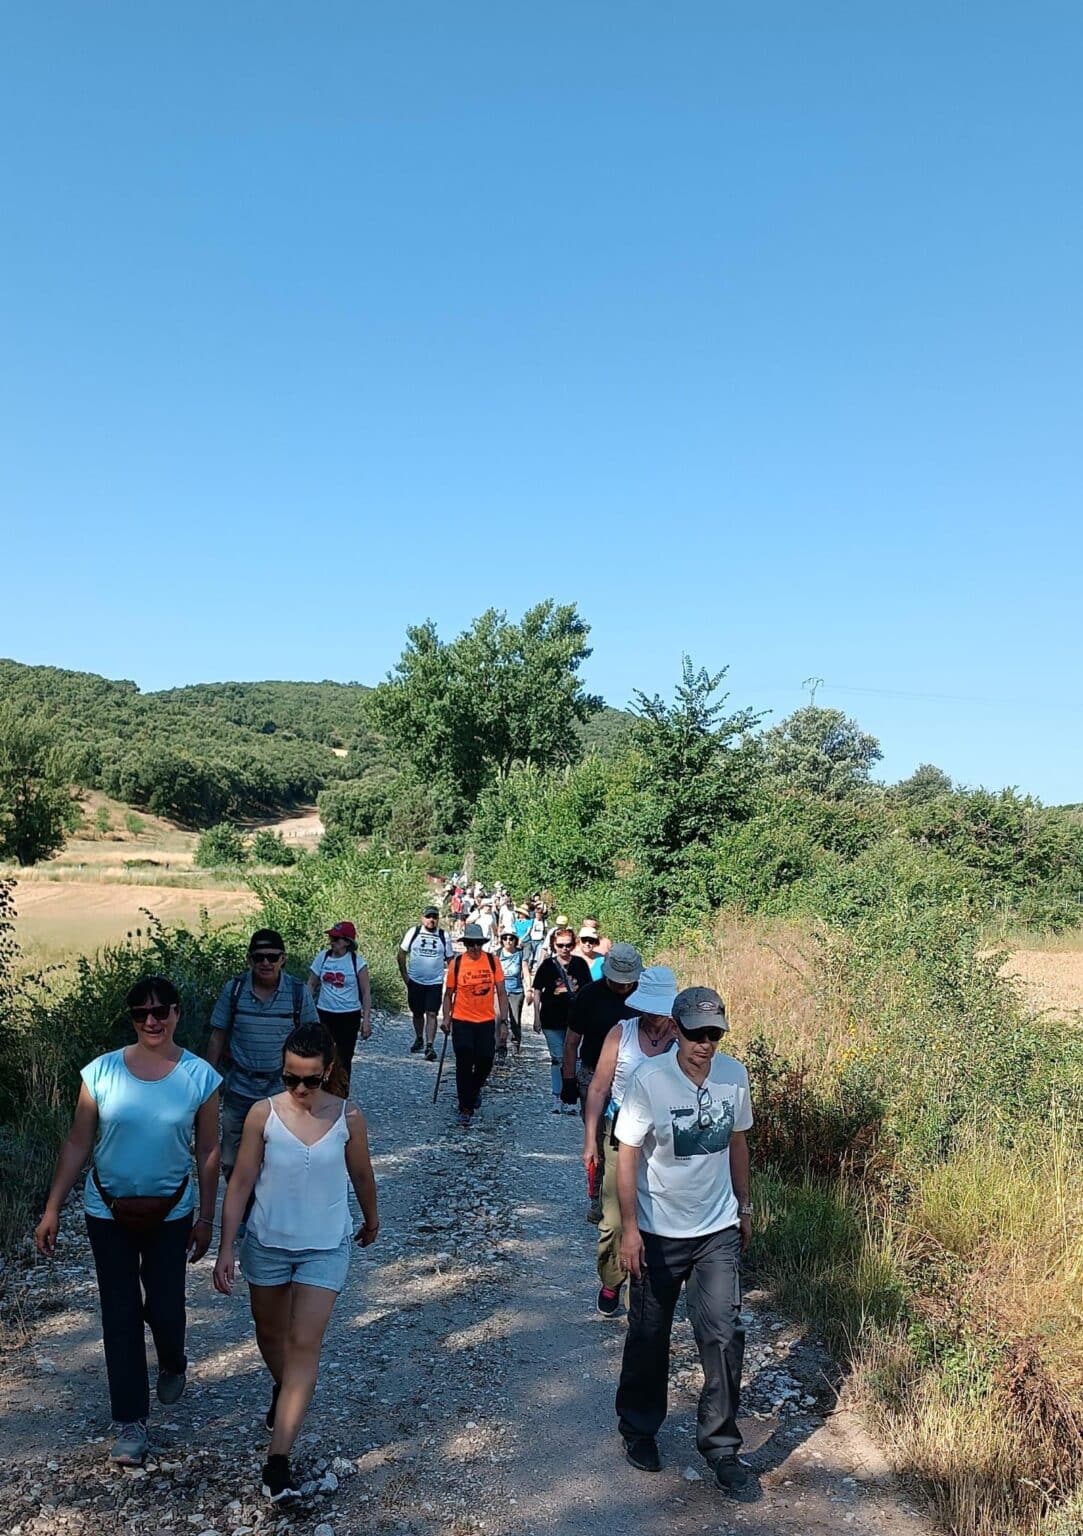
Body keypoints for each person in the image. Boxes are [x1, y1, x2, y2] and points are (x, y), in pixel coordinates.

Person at [34, 975, 221, 1467]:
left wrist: (207, 1216)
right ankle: (131, 1423)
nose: (152, 1021)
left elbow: (208, 1150)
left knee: (165, 1307)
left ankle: (173, 1359)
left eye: (161, 1011)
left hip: (172, 1213)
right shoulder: (101, 1073)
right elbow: (78, 1141)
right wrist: (53, 1206)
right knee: (119, 1314)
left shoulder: (200, 1077)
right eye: (141, 1013)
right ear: (132, 1018)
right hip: (108, 1210)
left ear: (178, 1014)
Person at [213, 1021, 379, 1504]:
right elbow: (240, 1182)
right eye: (290, 1078)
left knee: (304, 1342)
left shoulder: (349, 1118)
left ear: (329, 1071)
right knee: (270, 1335)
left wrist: (371, 1219)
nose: (300, 1088)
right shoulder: (262, 1115)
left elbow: (363, 1174)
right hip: (266, 1243)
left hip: (326, 1245)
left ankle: (278, 1458)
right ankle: (288, 1393)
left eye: (310, 1079)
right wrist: (227, 1246)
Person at [614, 987, 756, 1500]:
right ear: (676, 1029)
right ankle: (639, 1428)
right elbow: (627, 1154)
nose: (705, 1044)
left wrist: (744, 1206)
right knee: (649, 1334)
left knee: (723, 1334)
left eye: (714, 1034)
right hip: (657, 1230)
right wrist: (630, 1229)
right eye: (696, 1033)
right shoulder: (648, 1081)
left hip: (715, 1230)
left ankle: (721, 1446)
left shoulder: (733, 1077)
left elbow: (737, 1141)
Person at [582, 965, 677, 1314]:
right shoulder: (620, 1034)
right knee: (614, 1219)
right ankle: (611, 1278)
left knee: (657, 1216)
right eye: (649, 1009)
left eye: (662, 1010)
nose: (655, 1017)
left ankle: (639, 1289)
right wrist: (590, 1139)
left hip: (663, 1140)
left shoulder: (682, 1038)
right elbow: (598, 1087)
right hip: (619, 1134)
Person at [206, 930, 318, 1188]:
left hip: (282, 1091)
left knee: (279, 1158)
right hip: (239, 1088)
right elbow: (217, 1036)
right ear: (249, 960)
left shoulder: (298, 993)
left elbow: (314, 1040)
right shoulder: (234, 990)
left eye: (272, 957)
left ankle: (267, 1215)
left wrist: (312, 1087)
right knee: (231, 1159)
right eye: (259, 957)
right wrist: (208, 1084)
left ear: (283, 959)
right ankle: (243, 1216)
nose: (265, 963)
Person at [561, 943, 644, 1218]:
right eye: (618, 982)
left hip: (633, 1077)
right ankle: (598, 1197)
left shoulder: (644, 998)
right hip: (592, 1073)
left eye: (627, 982)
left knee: (628, 1139)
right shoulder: (589, 996)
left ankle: (629, 1196)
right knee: (597, 1139)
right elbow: (572, 1041)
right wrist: (569, 1080)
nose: (623, 987)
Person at [441, 923, 510, 1128]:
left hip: (486, 1020)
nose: (474, 948)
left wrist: (504, 1021)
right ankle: (465, 1107)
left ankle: (473, 1090)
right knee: (464, 1057)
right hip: (462, 1019)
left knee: (486, 1060)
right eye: (471, 944)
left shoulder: (492, 961)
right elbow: (448, 994)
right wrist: (446, 1018)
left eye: (478, 944)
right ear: (465, 944)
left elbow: (502, 992)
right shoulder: (458, 963)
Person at [529, 926, 591, 1115]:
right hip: (551, 1018)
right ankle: (558, 1097)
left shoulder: (580, 964)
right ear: (554, 945)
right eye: (560, 945)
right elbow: (537, 989)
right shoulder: (547, 965)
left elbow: (588, 991)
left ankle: (572, 1096)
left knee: (574, 1059)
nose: (565, 949)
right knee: (557, 1059)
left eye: (568, 945)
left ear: (574, 945)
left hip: (575, 1020)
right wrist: (536, 1016)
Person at [307, 921, 372, 1090]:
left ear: (347, 942)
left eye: (336, 938)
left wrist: (366, 1020)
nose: (331, 941)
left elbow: (365, 992)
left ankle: (340, 1095)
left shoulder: (357, 962)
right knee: (320, 1054)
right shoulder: (323, 957)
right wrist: (305, 1011)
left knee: (344, 1057)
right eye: (331, 937)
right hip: (324, 1013)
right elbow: (311, 985)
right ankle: (318, 1091)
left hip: (348, 1015)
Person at [398, 906, 454, 1060]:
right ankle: (419, 1038)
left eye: (434, 917)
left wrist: (453, 979)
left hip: (434, 982)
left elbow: (450, 960)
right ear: (422, 918)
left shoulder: (444, 936)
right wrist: (405, 976)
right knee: (417, 1013)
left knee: (432, 1013)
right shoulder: (414, 932)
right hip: (415, 981)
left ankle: (430, 1045)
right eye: (428, 917)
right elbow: (402, 953)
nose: (431, 920)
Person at [495, 927, 529, 1058]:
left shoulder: (520, 954)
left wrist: (529, 988)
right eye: (505, 938)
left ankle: (515, 1043)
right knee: (499, 1019)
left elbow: (525, 970)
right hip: (499, 990)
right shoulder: (497, 954)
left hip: (516, 990)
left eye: (511, 938)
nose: (508, 941)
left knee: (515, 1019)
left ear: (515, 940)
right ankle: (500, 1045)